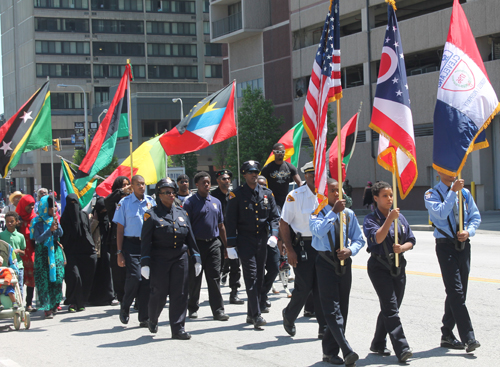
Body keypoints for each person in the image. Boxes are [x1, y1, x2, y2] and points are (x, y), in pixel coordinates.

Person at [309, 178, 365, 366]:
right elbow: (318, 231)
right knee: (332, 310)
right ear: (325, 193)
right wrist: (333, 213)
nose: (336, 194)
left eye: (338, 190)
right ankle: (346, 349)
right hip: (325, 262)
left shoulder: (348, 214)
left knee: (343, 308)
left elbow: (359, 239)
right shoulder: (317, 212)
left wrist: (351, 250)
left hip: (343, 263)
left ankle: (329, 352)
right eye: (332, 190)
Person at [424, 172, 481, 354]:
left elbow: (475, 216)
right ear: (439, 172)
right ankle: (468, 337)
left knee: (459, 292)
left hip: (463, 246)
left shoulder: (464, 193)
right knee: (455, 292)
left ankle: (447, 333)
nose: (452, 175)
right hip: (445, 246)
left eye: (454, 172)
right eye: (447, 172)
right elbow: (440, 213)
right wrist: (452, 193)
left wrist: (469, 231)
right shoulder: (431, 194)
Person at [141, 178, 202, 339]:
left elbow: (190, 237)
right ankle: (153, 318)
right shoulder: (151, 215)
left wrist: (196, 257)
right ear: (159, 194)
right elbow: (146, 242)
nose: (171, 195)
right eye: (167, 192)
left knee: (180, 293)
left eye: (172, 192)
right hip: (160, 258)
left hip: (180, 257)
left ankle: (178, 328)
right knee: (159, 293)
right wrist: (145, 263)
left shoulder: (182, 212)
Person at [363, 181, 414, 363]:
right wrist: (389, 220)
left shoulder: (400, 217)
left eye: (391, 195)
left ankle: (377, 342)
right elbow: (376, 238)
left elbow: (411, 240)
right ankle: (402, 348)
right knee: (391, 308)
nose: (389, 199)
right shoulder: (370, 219)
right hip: (379, 267)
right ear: (376, 198)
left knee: (391, 307)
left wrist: (403, 248)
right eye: (385, 196)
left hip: (398, 265)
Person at [225, 160, 280, 329]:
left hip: (262, 240)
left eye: (256, 171)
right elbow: (230, 221)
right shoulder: (236, 195)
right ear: (244, 174)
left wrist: (275, 235)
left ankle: (250, 313)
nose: (254, 174)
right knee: (251, 276)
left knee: (260, 277)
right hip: (245, 240)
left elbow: (274, 217)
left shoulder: (267, 193)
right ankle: (256, 315)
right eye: (250, 172)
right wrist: (230, 245)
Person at [280, 162, 326, 339]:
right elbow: (284, 223)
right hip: (303, 246)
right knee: (304, 286)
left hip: (323, 245)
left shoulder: (326, 194)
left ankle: (323, 328)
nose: (315, 178)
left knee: (322, 287)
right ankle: (289, 315)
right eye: (311, 175)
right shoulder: (295, 196)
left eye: (318, 175)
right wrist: (289, 249)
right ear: (305, 176)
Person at [185, 171, 229, 321]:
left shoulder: (216, 202)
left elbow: (221, 225)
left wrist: (226, 246)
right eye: (203, 182)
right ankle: (192, 308)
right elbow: (186, 227)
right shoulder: (190, 203)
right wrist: (189, 248)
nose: (206, 185)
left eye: (208, 182)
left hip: (214, 244)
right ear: (196, 184)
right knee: (195, 278)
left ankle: (218, 310)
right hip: (196, 245)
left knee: (214, 277)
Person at [113, 175, 155, 327]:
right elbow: (119, 229)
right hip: (130, 244)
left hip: (147, 244)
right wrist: (119, 252)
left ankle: (144, 317)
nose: (142, 187)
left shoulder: (151, 202)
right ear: (132, 186)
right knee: (135, 277)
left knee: (146, 280)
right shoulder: (124, 203)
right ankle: (126, 305)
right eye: (138, 184)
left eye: (143, 184)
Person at [60, 194, 97, 312]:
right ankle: (72, 302)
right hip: (70, 251)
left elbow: (88, 232)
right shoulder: (65, 217)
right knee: (74, 277)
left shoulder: (84, 215)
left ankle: (81, 302)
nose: (73, 206)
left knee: (85, 277)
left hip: (85, 251)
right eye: (70, 203)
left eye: (74, 203)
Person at [211, 169, 243, 305]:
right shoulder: (212, 196)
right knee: (216, 267)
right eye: (224, 179)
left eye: (228, 179)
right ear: (218, 181)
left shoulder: (234, 195)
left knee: (235, 264)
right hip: (217, 235)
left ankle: (234, 292)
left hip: (232, 235)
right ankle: (216, 295)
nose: (227, 181)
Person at [30, 195, 64, 319]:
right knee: (44, 280)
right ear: (45, 208)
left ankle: (55, 303)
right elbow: (37, 238)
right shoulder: (36, 222)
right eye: (51, 207)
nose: (54, 209)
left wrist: (57, 225)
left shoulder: (54, 219)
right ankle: (47, 307)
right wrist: (49, 231)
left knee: (58, 278)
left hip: (55, 251)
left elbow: (60, 234)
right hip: (42, 252)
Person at [105, 176, 132, 303]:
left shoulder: (133, 199)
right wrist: (122, 192)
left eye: (128, 185)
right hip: (116, 237)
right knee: (118, 269)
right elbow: (107, 201)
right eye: (123, 185)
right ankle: (120, 295)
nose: (126, 188)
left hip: (131, 237)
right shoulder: (114, 201)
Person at [256, 175, 280, 314]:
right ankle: (260, 299)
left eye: (265, 185)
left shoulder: (269, 198)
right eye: (260, 185)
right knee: (258, 272)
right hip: (257, 240)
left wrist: (276, 238)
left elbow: (276, 219)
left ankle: (262, 294)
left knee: (274, 268)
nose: (263, 187)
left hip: (270, 240)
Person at [88, 197, 116, 306]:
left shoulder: (108, 218)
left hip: (107, 249)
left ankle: (110, 296)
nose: (104, 213)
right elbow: (88, 232)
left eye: (105, 211)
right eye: (102, 211)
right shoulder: (91, 217)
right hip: (97, 250)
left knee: (108, 272)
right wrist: (94, 221)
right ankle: (95, 298)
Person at [260, 143, 302, 209]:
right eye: (278, 152)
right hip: (273, 200)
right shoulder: (267, 168)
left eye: (282, 151)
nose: (280, 153)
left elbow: (299, 183)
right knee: (277, 218)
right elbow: (260, 184)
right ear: (274, 152)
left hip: (286, 200)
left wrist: (301, 194)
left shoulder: (290, 167)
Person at [16, 195, 37, 312]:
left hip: (32, 254)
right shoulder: (16, 219)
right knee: (18, 280)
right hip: (19, 255)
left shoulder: (35, 218)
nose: (32, 207)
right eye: (29, 205)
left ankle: (29, 303)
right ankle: (18, 304)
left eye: (33, 204)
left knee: (31, 280)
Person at [0, 212, 26, 299]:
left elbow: (24, 251)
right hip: (4, 267)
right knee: (5, 286)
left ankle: (20, 305)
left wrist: (18, 251)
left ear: (17, 222)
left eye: (11, 221)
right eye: (7, 221)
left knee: (19, 287)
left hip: (18, 266)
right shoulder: (1, 235)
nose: (9, 223)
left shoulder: (20, 236)